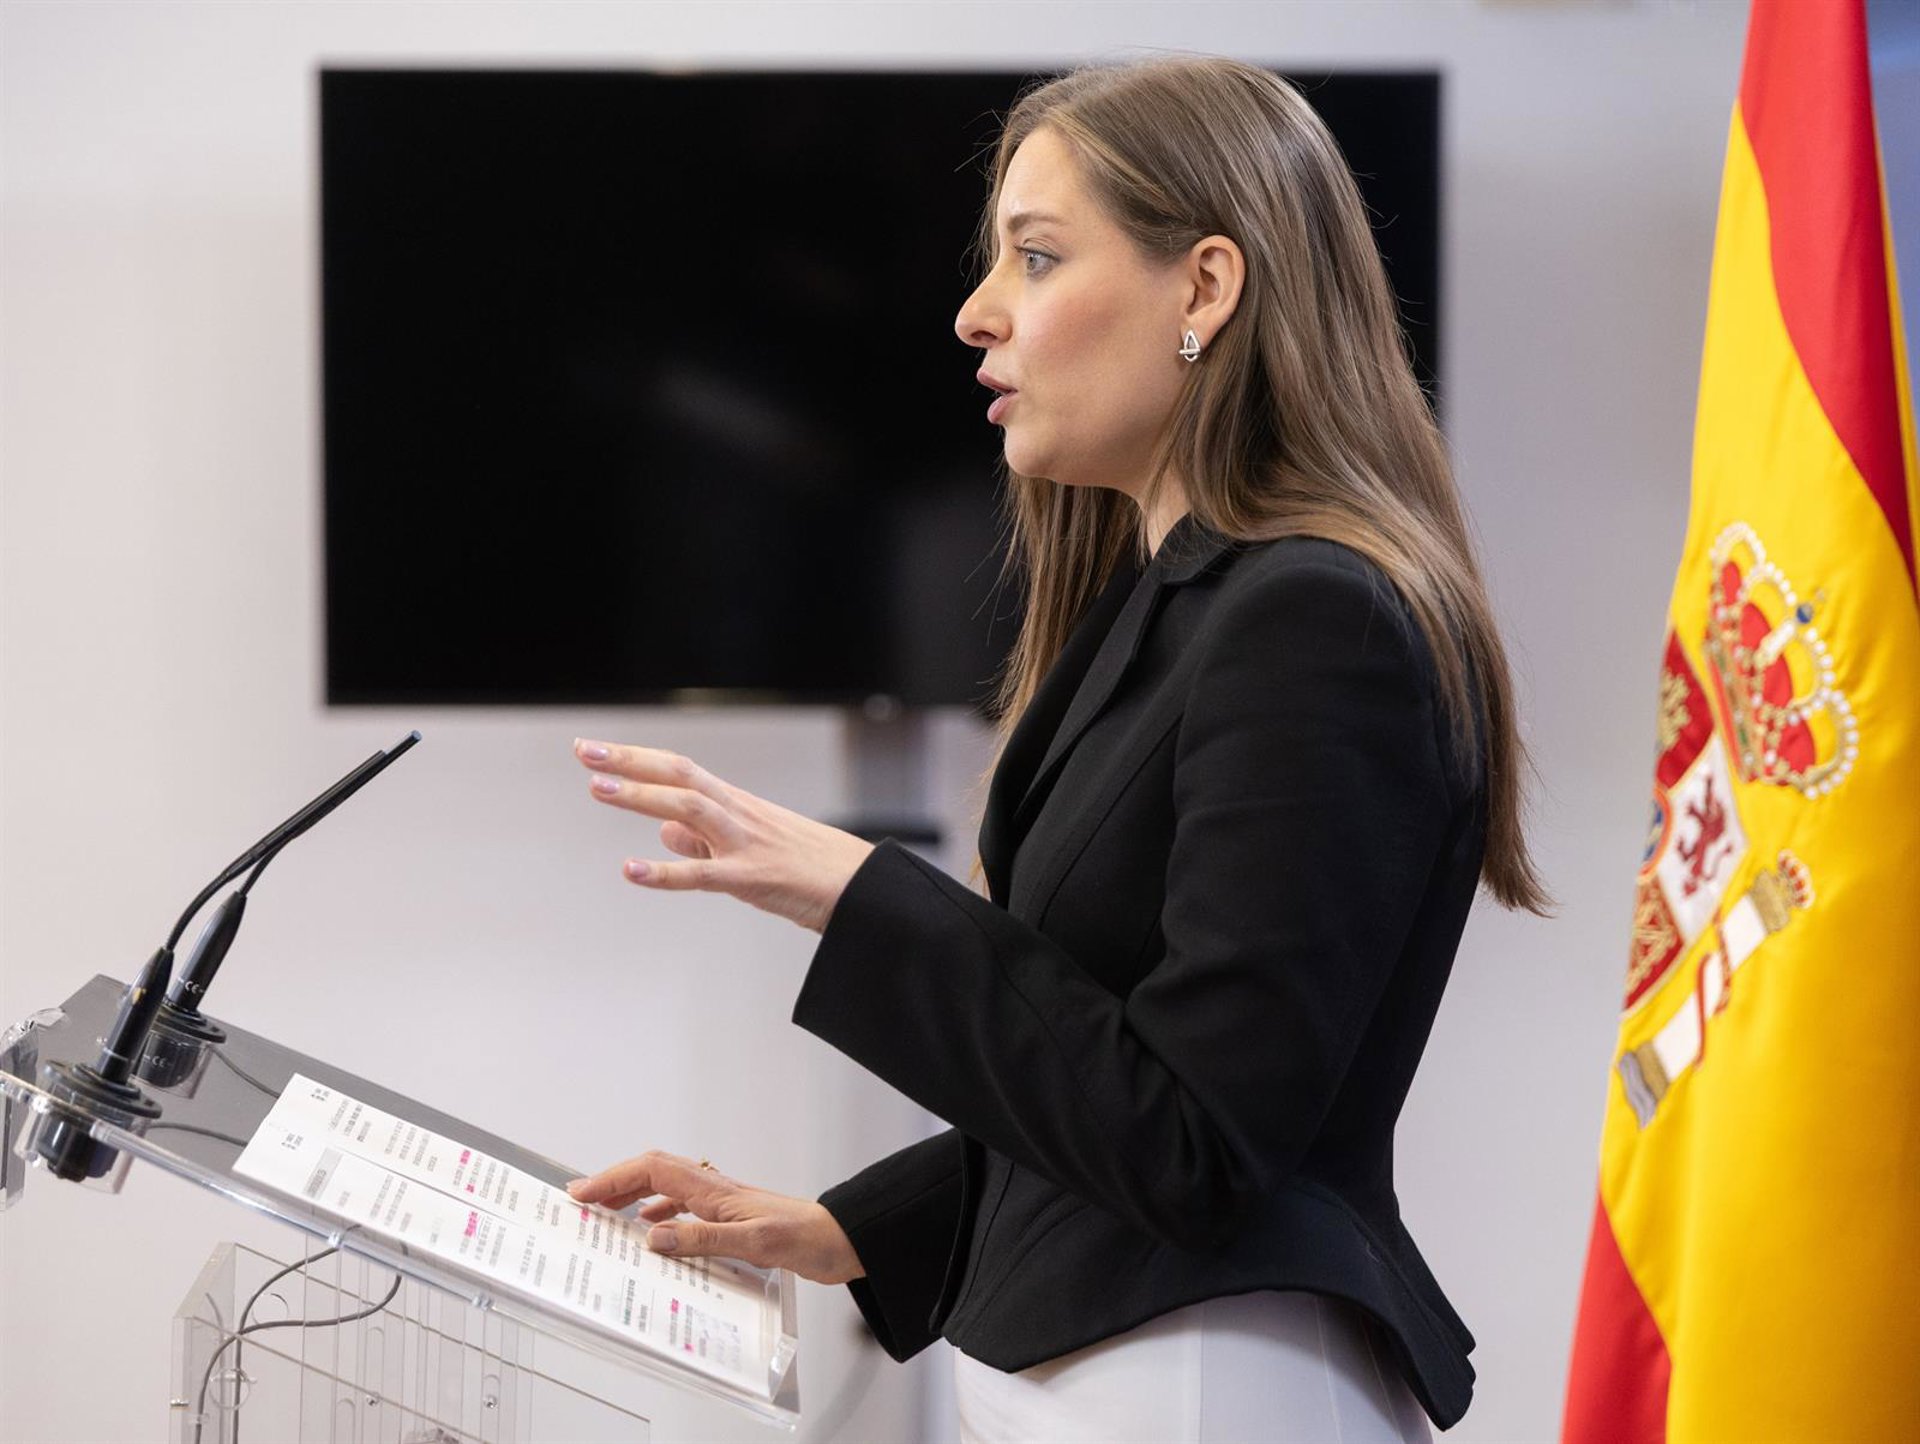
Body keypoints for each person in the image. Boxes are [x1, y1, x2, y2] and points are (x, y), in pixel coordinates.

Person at [565, 54, 1550, 1442]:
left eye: (1034, 257)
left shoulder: (1313, 619)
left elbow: (1199, 1142)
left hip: (1208, 1395)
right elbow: (1106, 1062)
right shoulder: (1176, 603)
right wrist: (845, 1228)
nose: (975, 312)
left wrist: (860, 895)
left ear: (1205, 289)